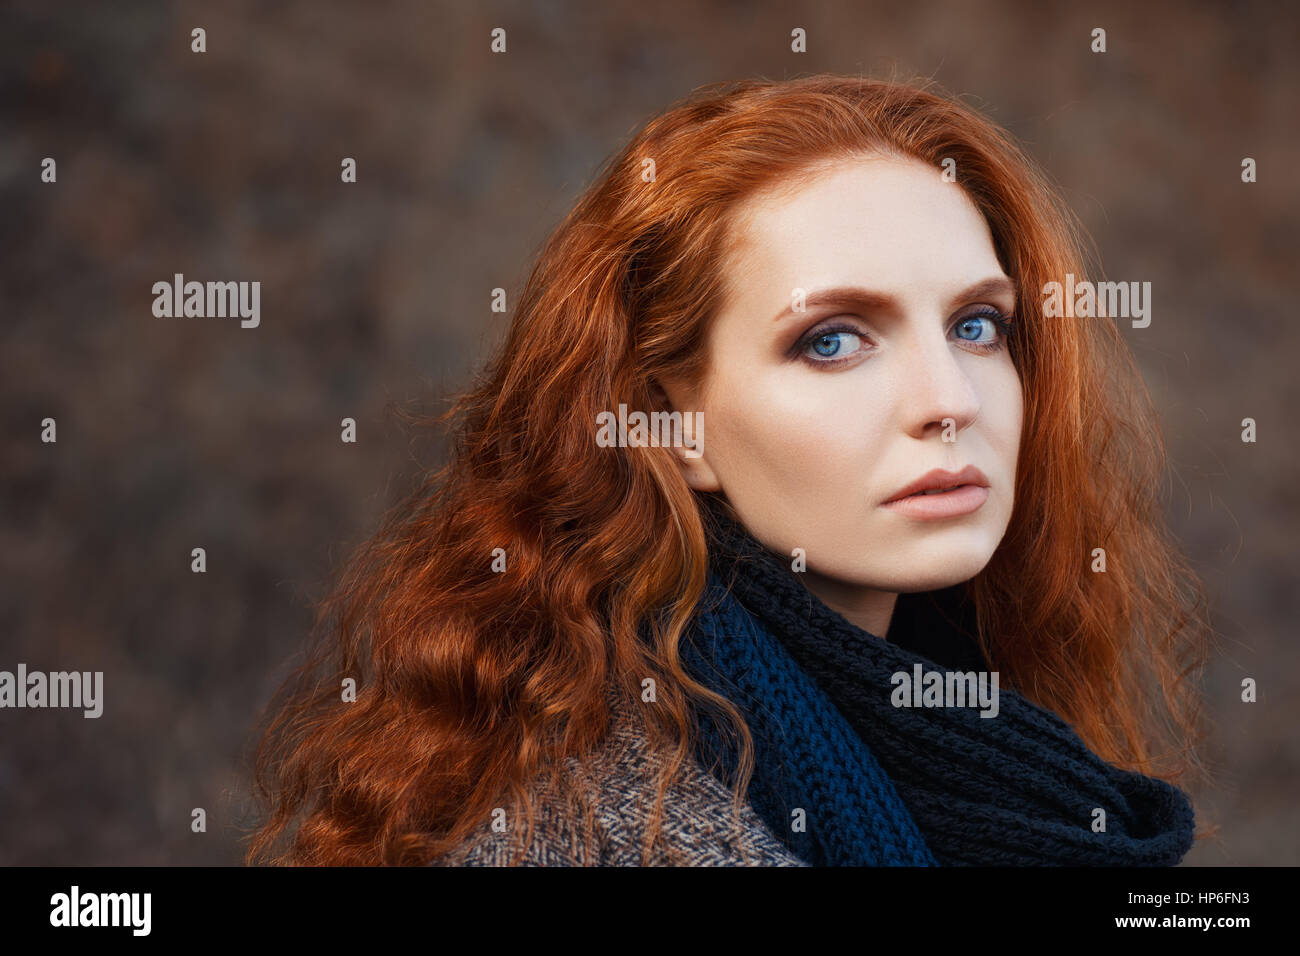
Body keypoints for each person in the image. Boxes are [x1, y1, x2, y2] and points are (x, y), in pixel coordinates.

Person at [245, 73, 1212, 867]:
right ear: (672, 426)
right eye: (833, 341)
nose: (947, 398)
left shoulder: (982, 736)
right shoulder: (598, 833)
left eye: (975, 325)